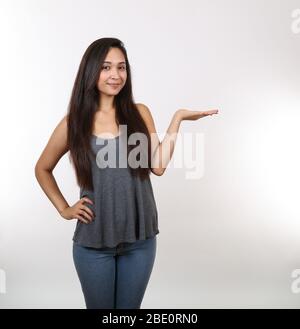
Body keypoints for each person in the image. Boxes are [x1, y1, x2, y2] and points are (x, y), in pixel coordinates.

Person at [34, 37, 218, 309]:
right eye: (106, 67)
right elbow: (42, 168)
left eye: (122, 67)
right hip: (94, 242)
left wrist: (177, 119)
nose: (115, 75)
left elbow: (158, 166)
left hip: (141, 241)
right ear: (91, 70)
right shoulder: (74, 121)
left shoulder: (139, 112)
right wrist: (64, 208)